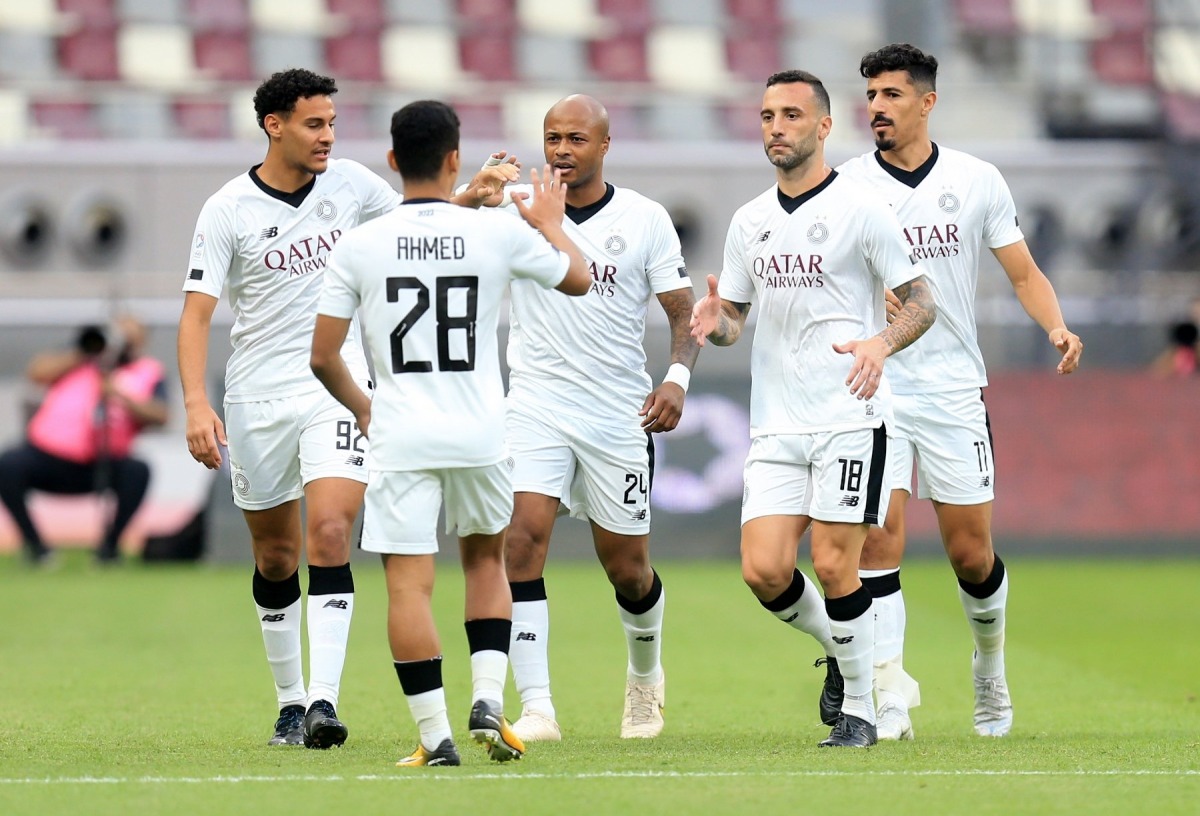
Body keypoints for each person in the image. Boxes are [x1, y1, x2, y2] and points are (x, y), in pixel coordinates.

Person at [177, 68, 515, 750]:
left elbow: (413, 230)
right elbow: (197, 313)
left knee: (331, 531)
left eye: (331, 123)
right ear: (274, 126)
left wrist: (468, 199)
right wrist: (194, 402)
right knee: (276, 556)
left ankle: (322, 704)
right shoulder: (227, 209)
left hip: (335, 384)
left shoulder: (354, 186)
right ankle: (289, 702)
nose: (327, 135)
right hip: (256, 395)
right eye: (314, 124)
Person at [310, 99, 590, 767]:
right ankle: (488, 698)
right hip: (480, 431)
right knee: (486, 562)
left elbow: (322, 357)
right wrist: (552, 224)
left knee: (408, 586)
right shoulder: (493, 233)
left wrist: (364, 407)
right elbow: (579, 279)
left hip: (401, 434)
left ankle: (436, 737)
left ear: (391, 159)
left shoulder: (360, 243)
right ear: (455, 158)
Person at [836, 43, 1084, 741]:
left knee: (971, 554)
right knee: (877, 541)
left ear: (927, 101)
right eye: (871, 95)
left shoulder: (977, 180)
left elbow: (1023, 273)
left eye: (891, 94)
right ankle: (889, 697)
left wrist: (1057, 326)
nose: (877, 107)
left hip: (951, 389)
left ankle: (989, 667)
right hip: (875, 386)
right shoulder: (847, 185)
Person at [689, 69, 938, 748]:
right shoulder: (749, 221)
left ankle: (860, 710)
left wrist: (881, 342)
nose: (777, 127)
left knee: (834, 565)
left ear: (824, 127)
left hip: (849, 416)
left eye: (792, 115)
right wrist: (716, 322)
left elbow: (922, 301)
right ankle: (843, 650)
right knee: (764, 569)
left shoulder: (862, 210)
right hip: (776, 423)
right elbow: (734, 319)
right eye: (768, 115)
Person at [489, 94, 700, 743]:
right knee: (521, 541)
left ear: (605, 145)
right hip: (536, 404)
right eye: (552, 137)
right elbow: (441, 228)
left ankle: (644, 680)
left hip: (617, 412)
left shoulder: (644, 219)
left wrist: (676, 378)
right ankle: (538, 708)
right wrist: (475, 192)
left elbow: (682, 311)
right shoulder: (514, 208)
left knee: (627, 568)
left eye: (576, 138)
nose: (561, 150)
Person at [0, 318, 167, 565]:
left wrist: (119, 394)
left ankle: (109, 549)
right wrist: (86, 351)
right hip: (47, 455)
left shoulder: (147, 371)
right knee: (8, 465)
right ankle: (36, 548)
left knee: (138, 471)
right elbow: (37, 372)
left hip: (104, 461)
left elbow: (161, 415)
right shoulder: (78, 358)